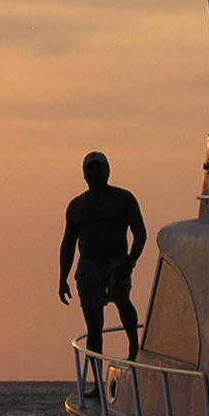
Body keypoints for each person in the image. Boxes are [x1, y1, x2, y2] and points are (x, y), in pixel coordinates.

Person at [58, 152, 147, 361]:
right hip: (88, 266)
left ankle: (134, 346)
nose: (95, 173)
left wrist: (130, 262)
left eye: (99, 168)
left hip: (117, 261)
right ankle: (97, 380)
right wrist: (63, 279)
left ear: (108, 171)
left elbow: (140, 234)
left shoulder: (123, 198)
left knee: (120, 296)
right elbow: (68, 243)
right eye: (91, 169)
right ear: (84, 175)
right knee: (94, 325)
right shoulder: (77, 205)